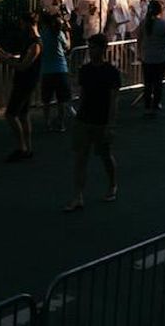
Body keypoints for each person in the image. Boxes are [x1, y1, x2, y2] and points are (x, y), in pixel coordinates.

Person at [64, 34, 121, 212]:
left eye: (94, 47)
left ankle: (112, 184)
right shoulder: (85, 70)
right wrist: (78, 115)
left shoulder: (111, 72)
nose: (91, 50)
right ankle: (78, 195)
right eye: (90, 47)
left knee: (105, 156)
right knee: (81, 158)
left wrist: (111, 124)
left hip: (101, 120)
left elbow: (114, 100)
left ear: (103, 49)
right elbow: (83, 94)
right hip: (84, 118)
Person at [0, 12, 42, 162]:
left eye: (22, 24)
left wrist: (5, 60)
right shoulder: (29, 42)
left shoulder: (35, 44)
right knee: (23, 114)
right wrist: (8, 55)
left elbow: (23, 66)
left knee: (11, 114)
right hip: (25, 81)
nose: (21, 27)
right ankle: (27, 147)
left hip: (26, 82)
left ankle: (21, 147)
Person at [138, 0, 165, 118]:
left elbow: (139, 39)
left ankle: (147, 106)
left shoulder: (143, 23)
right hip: (160, 57)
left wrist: (140, 52)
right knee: (158, 83)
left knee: (147, 83)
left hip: (147, 57)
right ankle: (156, 104)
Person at [39, 11, 72, 133]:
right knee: (61, 100)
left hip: (46, 71)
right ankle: (61, 123)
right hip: (61, 69)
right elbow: (67, 46)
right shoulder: (58, 33)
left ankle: (47, 122)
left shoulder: (42, 34)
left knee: (46, 100)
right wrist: (68, 33)